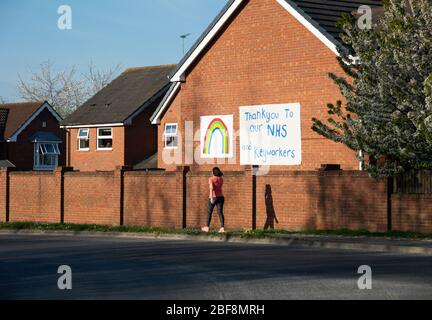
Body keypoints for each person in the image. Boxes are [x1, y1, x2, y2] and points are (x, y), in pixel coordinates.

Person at [202, 167, 225, 233]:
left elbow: (211, 188)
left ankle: (207, 227)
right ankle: (222, 228)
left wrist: (211, 198)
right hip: (221, 197)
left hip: (214, 197)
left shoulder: (211, 179)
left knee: (209, 212)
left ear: (213, 172)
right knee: (220, 212)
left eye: (212, 171)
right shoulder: (221, 179)